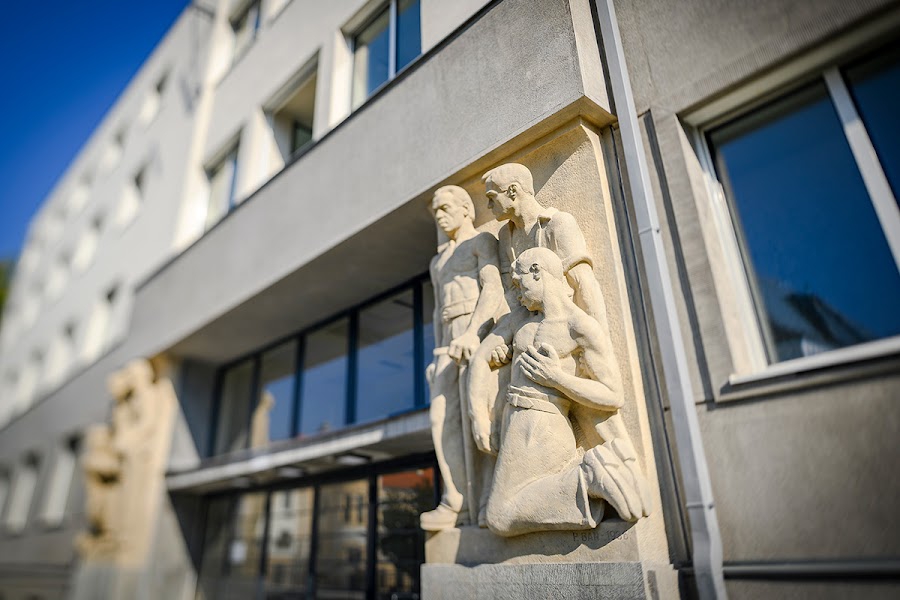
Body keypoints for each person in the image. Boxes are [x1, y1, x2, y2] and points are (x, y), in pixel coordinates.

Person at [468, 247, 651, 537]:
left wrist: (557, 378)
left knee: (500, 516)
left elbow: (613, 394)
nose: (516, 293)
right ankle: (587, 476)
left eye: (519, 283)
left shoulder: (579, 327)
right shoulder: (519, 320)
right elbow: (479, 358)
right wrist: (479, 416)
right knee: (500, 513)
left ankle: (588, 476)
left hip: (544, 424)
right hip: (515, 422)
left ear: (537, 272)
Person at [477, 163, 622, 452]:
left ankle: (613, 464)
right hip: (529, 333)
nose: (489, 206)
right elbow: (512, 295)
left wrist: (597, 339)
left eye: (492, 198)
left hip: (566, 336)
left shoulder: (558, 224)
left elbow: (584, 284)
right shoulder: (507, 237)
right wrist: (507, 339)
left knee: (602, 429)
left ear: (513, 191)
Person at [420, 185, 503, 531]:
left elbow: (494, 288)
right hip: (447, 344)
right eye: (436, 211)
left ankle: (488, 499)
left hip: (476, 331)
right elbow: (438, 311)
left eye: (445, 208)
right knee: (440, 419)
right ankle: (456, 500)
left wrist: (473, 334)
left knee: (479, 415)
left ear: (466, 208)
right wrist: (437, 352)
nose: (440, 216)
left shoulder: (481, 242)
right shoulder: (437, 262)